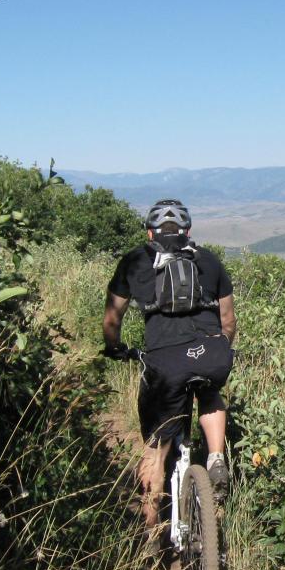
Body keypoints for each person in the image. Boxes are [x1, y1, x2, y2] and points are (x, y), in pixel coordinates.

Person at [102, 199, 236, 548]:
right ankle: (216, 457)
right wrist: (221, 347)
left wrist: (114, 347)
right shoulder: (208, 259)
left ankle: (151, 533)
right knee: (210, 392)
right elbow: (229, 321)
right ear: (188, 231)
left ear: (150, 232)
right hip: (210, 353)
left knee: (155, 447)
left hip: (164, 363)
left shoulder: (135, 261)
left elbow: (112, 319)